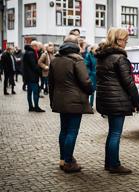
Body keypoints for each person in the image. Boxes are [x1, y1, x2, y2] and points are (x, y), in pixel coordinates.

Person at [96, 28, 139, 174]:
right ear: (118, 40)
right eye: (125, 39)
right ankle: (114, 164)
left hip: (106, 99)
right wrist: (136, 102)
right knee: (115, 133)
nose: (126, 42)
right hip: (117, 100)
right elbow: (129, 83)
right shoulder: (120, 58)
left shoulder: (102, 56)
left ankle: (109, 163)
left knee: (112, 133)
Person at [49, 35, 93, 173]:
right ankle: (68, 162)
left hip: (61, 100)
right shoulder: (77, 60)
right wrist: (91, 90)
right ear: (76, 45)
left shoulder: (55, 60)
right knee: (72, 132)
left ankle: (63, 159)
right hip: (74, 101)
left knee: (64, 130)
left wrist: (52, 100)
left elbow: (51, 83)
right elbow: (86, 81)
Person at [23, 41, 45, 112]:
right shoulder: (31, 53)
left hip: (28, 76)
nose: (39, 48)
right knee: (35, 92)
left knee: (29, 93)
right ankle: (36, 107)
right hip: (32, 77)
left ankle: (31, 107)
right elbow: (34, 66)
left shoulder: (27, 52)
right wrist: (40, 72)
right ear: (34, 46)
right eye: (38, 46)